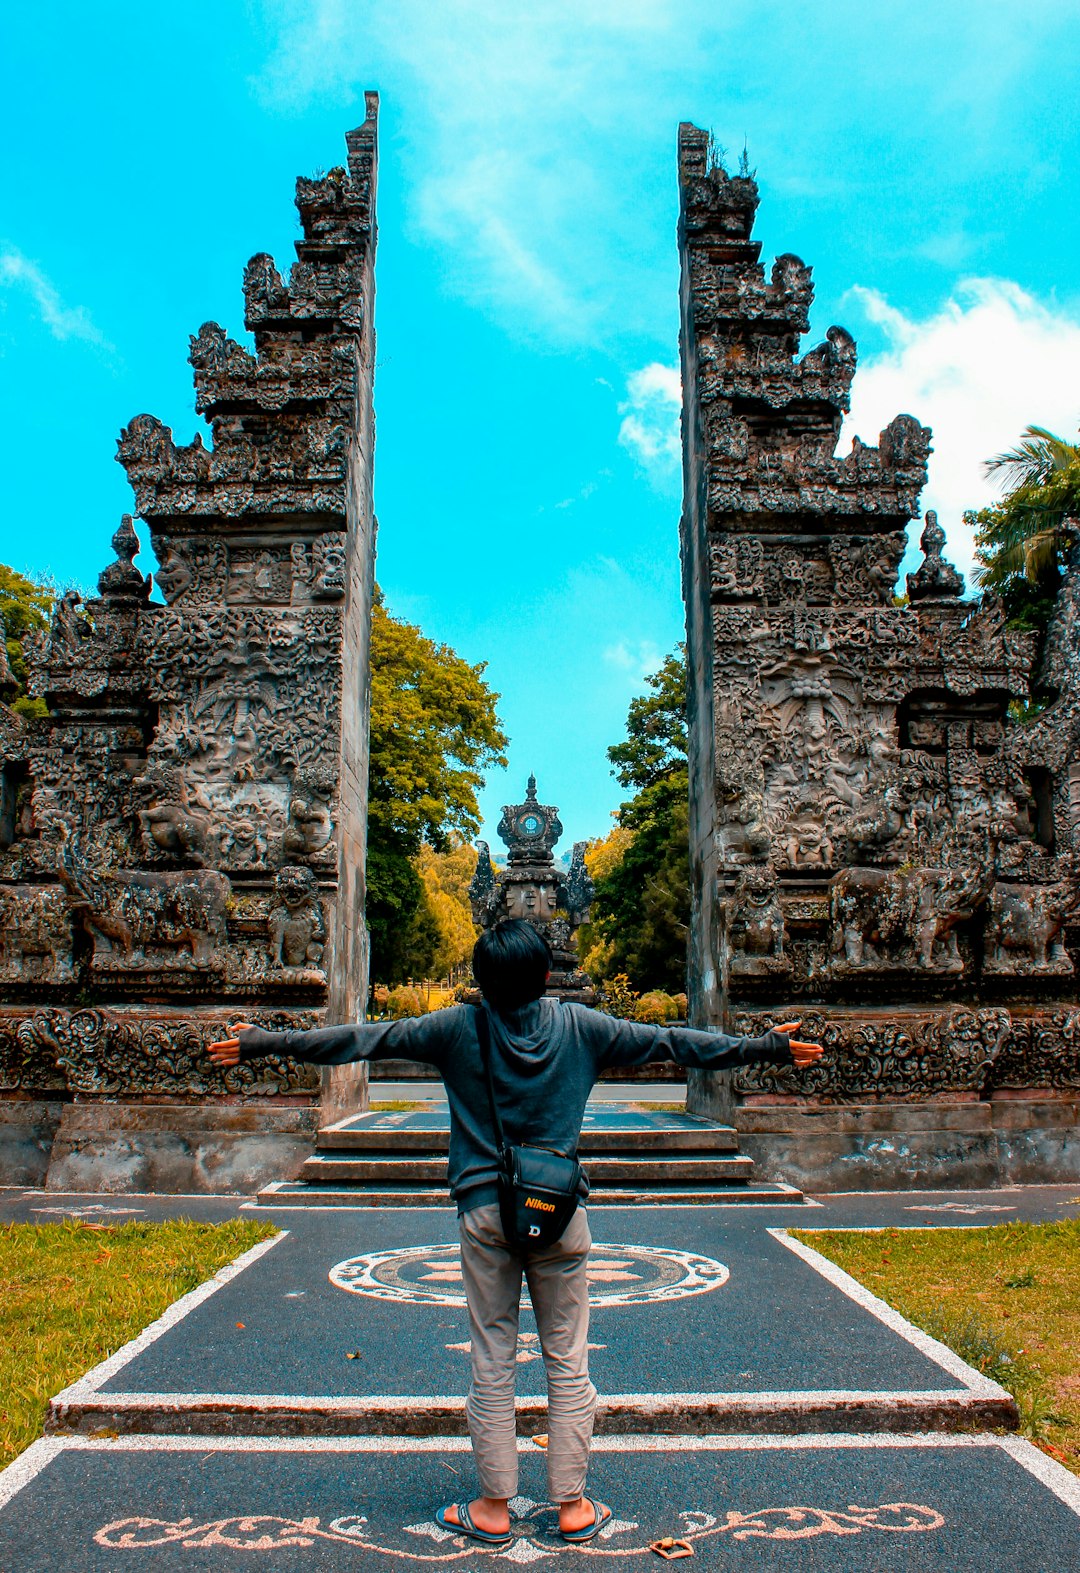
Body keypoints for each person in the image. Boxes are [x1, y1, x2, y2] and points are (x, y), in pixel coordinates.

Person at [209, 919, 823, 1547]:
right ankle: (574, 1506)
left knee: (492, 1356)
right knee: (567, 1356)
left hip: (483, 1212)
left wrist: (264, 1042)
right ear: (548, 975)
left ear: (479, 977)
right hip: (559, 1211)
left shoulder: (454, 1028)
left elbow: (361, 1040)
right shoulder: (583, 1027)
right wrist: (766, 1047)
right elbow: (672, 1042)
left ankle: (494, 1507)